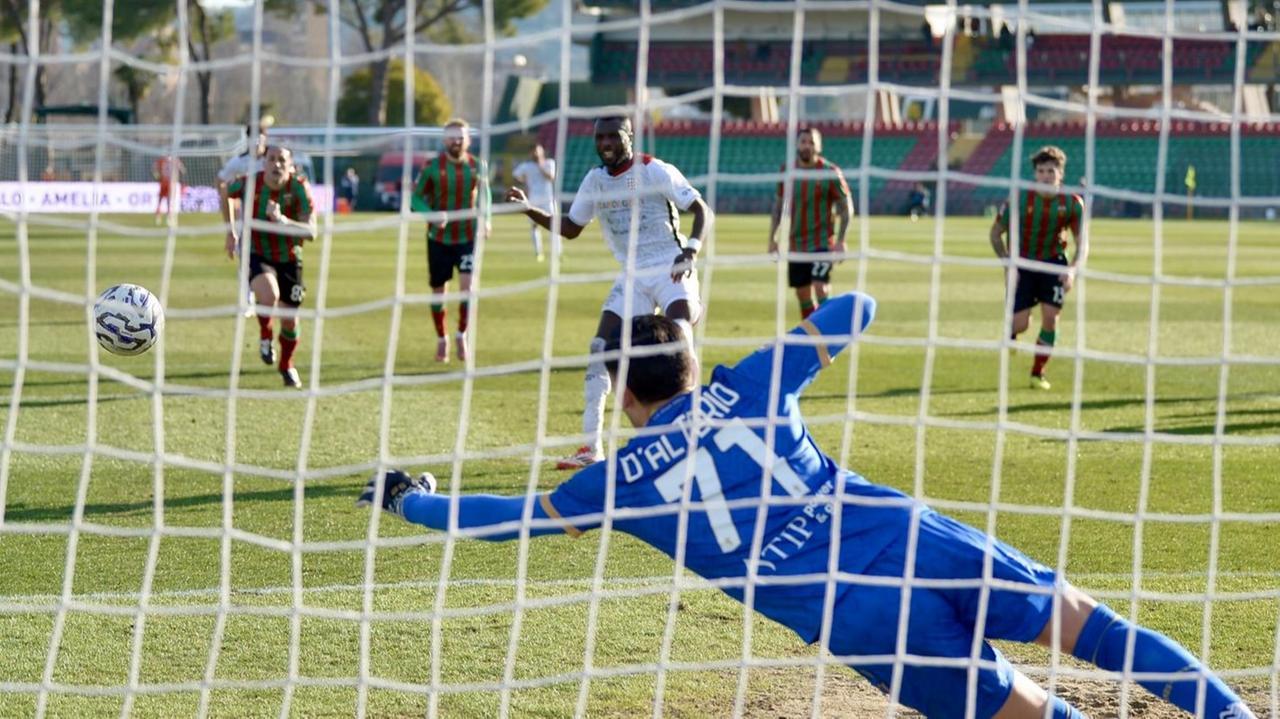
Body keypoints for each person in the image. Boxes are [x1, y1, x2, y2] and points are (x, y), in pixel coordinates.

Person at [359, 293, 1258, 719]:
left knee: (1021, 711)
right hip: (910, 537)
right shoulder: (748, 384)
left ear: (624, 397)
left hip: (858, 612)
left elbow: (503, 522)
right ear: (687, 366)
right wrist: (754, 367)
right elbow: (858, 306)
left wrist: (414, 500)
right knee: (1087, 624)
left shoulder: (616, 483)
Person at [505, 116, 712, 470]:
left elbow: (701, 210)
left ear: (628, 136)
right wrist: (529, 210)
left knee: (680, 341)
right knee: (600, 348)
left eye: (612, 136)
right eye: (599, 136)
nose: (605, 143)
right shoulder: (594, 180)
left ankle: (694, 437)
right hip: (632, 275)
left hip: (670, 267)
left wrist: (690, 251)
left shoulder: (654, 170)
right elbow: (571, 228)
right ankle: (590, 446)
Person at [988, 145, 1087, 391]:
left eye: (1051, 171)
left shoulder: (1073, 204)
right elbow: (995, 234)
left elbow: (1082, 244)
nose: (1046, 176)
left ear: (1060, 174)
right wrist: (1006, 262)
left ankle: (1037, 373)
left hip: (1054, 264)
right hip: (1022, 264)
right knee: (1021, 324)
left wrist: (1073, 269)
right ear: (1035, 174)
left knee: (1051, 319)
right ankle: (1012, 333)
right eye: (1041, 171)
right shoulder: (1019, 199)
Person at [220, 145, 317, 389]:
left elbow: (311, 232)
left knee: (290, 321)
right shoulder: (249, 183)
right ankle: (265, 336)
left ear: (290, 165)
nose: (276, 164)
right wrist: (230, 230)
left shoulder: (299, 188)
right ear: (264, 164)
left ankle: (287, 365)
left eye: (281, 160)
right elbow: (224, 191)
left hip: (289, 257)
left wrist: (282, 220)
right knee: (268, 294)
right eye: (271, 159)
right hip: (256, 252)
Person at [412, 118, 489, 363]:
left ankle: (461, 334)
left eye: (461, 137)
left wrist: (486, 220)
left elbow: (484, 196)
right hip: (439, 239)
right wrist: (431, 215)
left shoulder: (478, 166)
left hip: (468, 236)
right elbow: (415, 199)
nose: (456, 141)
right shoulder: (432, 167)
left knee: (468, 290)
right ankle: (441, 338)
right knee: (439, 292)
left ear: (469, 140)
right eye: (452, 136)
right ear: (444, 140)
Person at [767, 127, 852, 320]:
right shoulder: (787, 171)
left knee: (820, 287)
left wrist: (841, 240)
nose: (807, 146)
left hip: (822, 242)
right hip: (796, 244)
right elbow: (778, 207)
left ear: (819, 147)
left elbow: (846, 207)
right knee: (802, 294)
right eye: (804, 141)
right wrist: (773, 238)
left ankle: (829, 330)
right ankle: (814, 335)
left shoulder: (830, 172)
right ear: (797, 145)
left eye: (812, 142)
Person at [218, 121, 272, 317]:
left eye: (260, 139)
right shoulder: (239, 162)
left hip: (273, 220)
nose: (257, 143)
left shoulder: (273, 160)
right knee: (246, 261)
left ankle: (271, 295)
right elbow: (221, 181)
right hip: (247, 221)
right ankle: (247, 300)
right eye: (253, 139)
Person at [510, 143, 557, 261]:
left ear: (542, 152)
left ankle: (557, 253)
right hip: (533, 199)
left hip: (548, 199)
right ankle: (538, 253)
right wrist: (524, 180)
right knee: (534, 226)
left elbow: (551, 177)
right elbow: (515, 175)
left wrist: (540, 165)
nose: (536, 153)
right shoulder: (527, 166)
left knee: (554, 226)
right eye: (534, 151)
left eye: (538, 151)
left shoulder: (549, 163)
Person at [152, 153, 186, 224]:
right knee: (168, 200)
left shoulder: (162, 160)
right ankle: (168, 217)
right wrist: (180, 173)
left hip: (163, 182)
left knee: (160, 200)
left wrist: (157, 175)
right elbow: (183, 169)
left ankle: (158, 217)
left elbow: (154, 168)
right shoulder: (175, 160)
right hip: (170, 182)